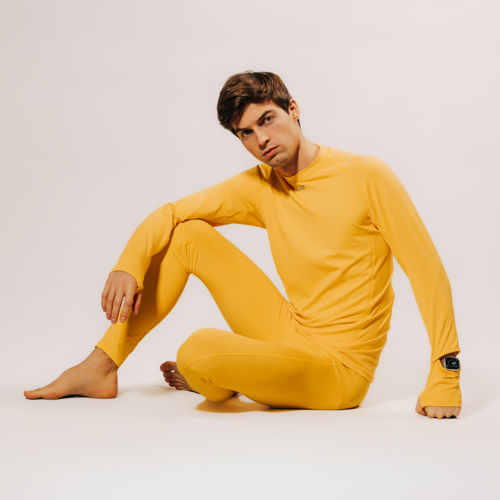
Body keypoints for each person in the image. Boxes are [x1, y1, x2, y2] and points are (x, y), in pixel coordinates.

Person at [24, 71, 461, 418]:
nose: (261, 140)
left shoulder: (365, 175)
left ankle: (221, 378)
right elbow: (171, 213)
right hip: (293, 331)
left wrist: (446, 374)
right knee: (189, 234)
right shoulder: (260, 186)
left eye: (266, 120)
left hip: (339, 370)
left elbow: (427, 270)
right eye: (245, 133)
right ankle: (102, 365)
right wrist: (127, 265)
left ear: (293, 110)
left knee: (197, 350)